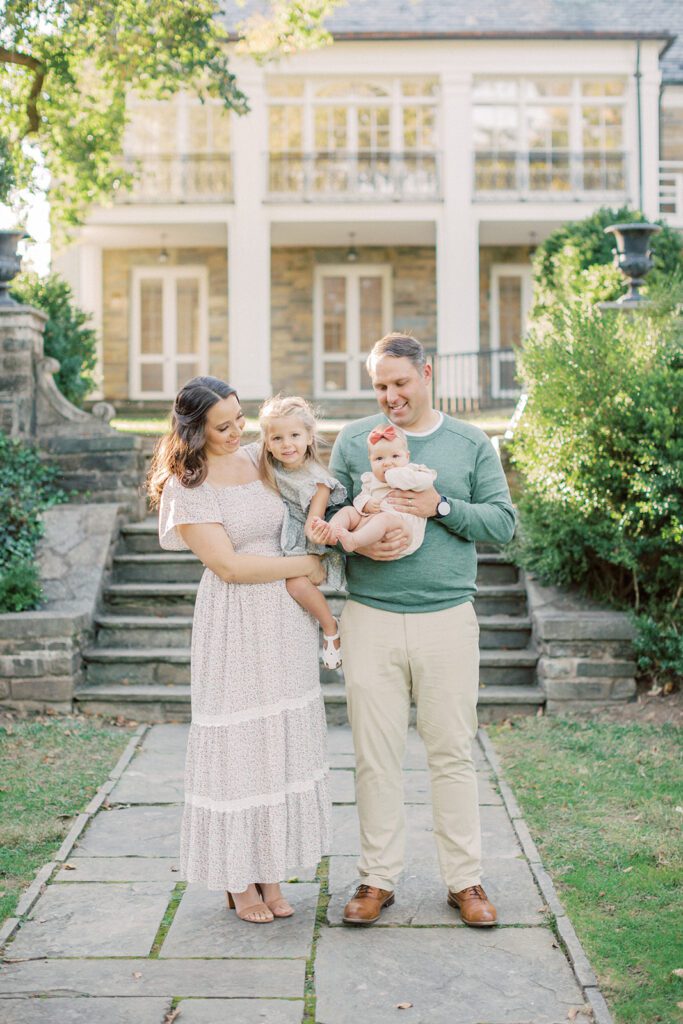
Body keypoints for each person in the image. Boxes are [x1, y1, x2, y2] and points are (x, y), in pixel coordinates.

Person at [319, 333, 516, 927]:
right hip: (370, 618)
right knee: (374, 757)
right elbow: (327, 516)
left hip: (447, 618)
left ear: (426, 373)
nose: (390, 397)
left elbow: (503, 523)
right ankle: (378, 880)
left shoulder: (469, 442)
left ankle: (465, 882)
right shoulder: (356, 441)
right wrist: (356, 538)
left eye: (400, 383)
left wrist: (441, 507)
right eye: (380, 386)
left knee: (451, 753)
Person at [148, 376, 331, 924]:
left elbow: (318, 480)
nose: (237, 432)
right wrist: (304, 566)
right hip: (235, 620)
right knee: (241, 743)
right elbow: (227, 565)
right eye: (222, 426)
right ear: (194, 430)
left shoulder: (261, 457)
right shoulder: (190, 484)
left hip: (285, 621)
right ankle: (237, 879)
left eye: (239, 419)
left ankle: (269, 870)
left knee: (277, 741)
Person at [259, 395, 346, 669]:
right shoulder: (266, 466)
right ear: (267, 443)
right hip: (278, 536)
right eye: (277, 438)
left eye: (295, 435)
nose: (287, 444)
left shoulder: (318, 480)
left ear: (309, 437)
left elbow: (313, 521)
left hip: (307, 543)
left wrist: (317, 532)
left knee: (295, 583)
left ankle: (330, 628)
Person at [313, 422, 437, 556]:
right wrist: (366, 503)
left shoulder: (413, 471)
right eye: (379, 458)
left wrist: (397, 476)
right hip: (370, 524)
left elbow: (426, 482)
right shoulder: (371, 480)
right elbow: (360, 499)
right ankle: (332, 532)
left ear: (407, 456)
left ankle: (354, 540)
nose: (387, 463)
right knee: (348, 511)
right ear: (370, 461)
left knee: (384, 519)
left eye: (395, 456)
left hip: (402, 530)